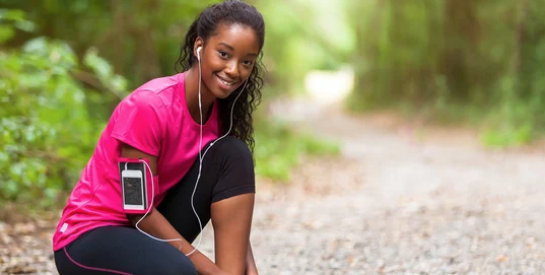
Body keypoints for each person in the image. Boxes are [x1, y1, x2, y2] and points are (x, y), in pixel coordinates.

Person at [52, 1, 266, 274]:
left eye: (246, 62)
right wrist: (212, 272)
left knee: (234, 154)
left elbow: (233, 209)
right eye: (224, 54)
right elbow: (138, 210)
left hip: (145, 232)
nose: (234, 70)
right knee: (179, 270)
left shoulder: (220, 114)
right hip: (89, 237)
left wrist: (248, 269)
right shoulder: (148, 106)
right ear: (199, 47)